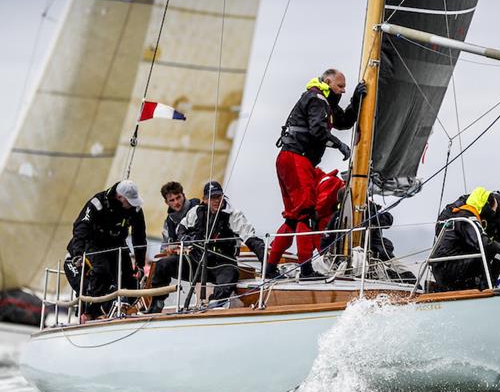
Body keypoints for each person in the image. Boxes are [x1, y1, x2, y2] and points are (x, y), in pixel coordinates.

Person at [266, 69, 366, 279]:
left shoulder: (324, 102)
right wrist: (340, 146)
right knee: (306, 214)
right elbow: (318, 131)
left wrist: (357, 98)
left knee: (293, 218)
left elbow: (345, 121)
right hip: (296, 158)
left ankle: (270, 268)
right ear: (328, 82)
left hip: (290, 159)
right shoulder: (317, 99)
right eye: (340, 86)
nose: (343, 90)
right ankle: (306, 270)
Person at [151, 181, 265, 309]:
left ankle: (214, 305)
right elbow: (181, 228)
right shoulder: (196, 211)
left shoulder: (234, 215)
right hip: (197, 261)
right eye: (212, 198)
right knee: (162, 265)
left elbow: (252, 239)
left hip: (222, 263)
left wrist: (267, 263)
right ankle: (156, 305)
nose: (216, 201)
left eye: (218, 196)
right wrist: (186, 238)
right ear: (205, 200)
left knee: (230, 275)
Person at [64, 180, 147, 321]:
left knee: (130, 278)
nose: (132, 205)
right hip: (94, 244)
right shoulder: (98, 203)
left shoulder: (135, 208)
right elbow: (81, 227)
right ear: (119, 197)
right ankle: (89, 313)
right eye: (130, 201)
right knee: (102, 272)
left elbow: (139, 237)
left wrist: (139, 264)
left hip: (117, 244)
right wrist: (78, 254)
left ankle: (136, 312)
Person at [430, 187, 500, 292]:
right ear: (485, 207)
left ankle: (478, 288)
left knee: (488, 254)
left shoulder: (460, 214)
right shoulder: (467, 218)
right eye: (493, 209)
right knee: (498, 254)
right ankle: (489, 290)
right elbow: (481, 243)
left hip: (443, 267)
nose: (493, 213)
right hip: (450, 268)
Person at [143, 181, 199, 314]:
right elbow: (165, 246)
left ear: (183, 195)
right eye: (172, 200)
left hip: (203, 258)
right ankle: (157, 303)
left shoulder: (198, 209)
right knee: (161, 265)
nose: (176, 202)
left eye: (178, 197)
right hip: (185, 262)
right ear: (166, 203)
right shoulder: (169, 222)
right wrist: (168, 250)